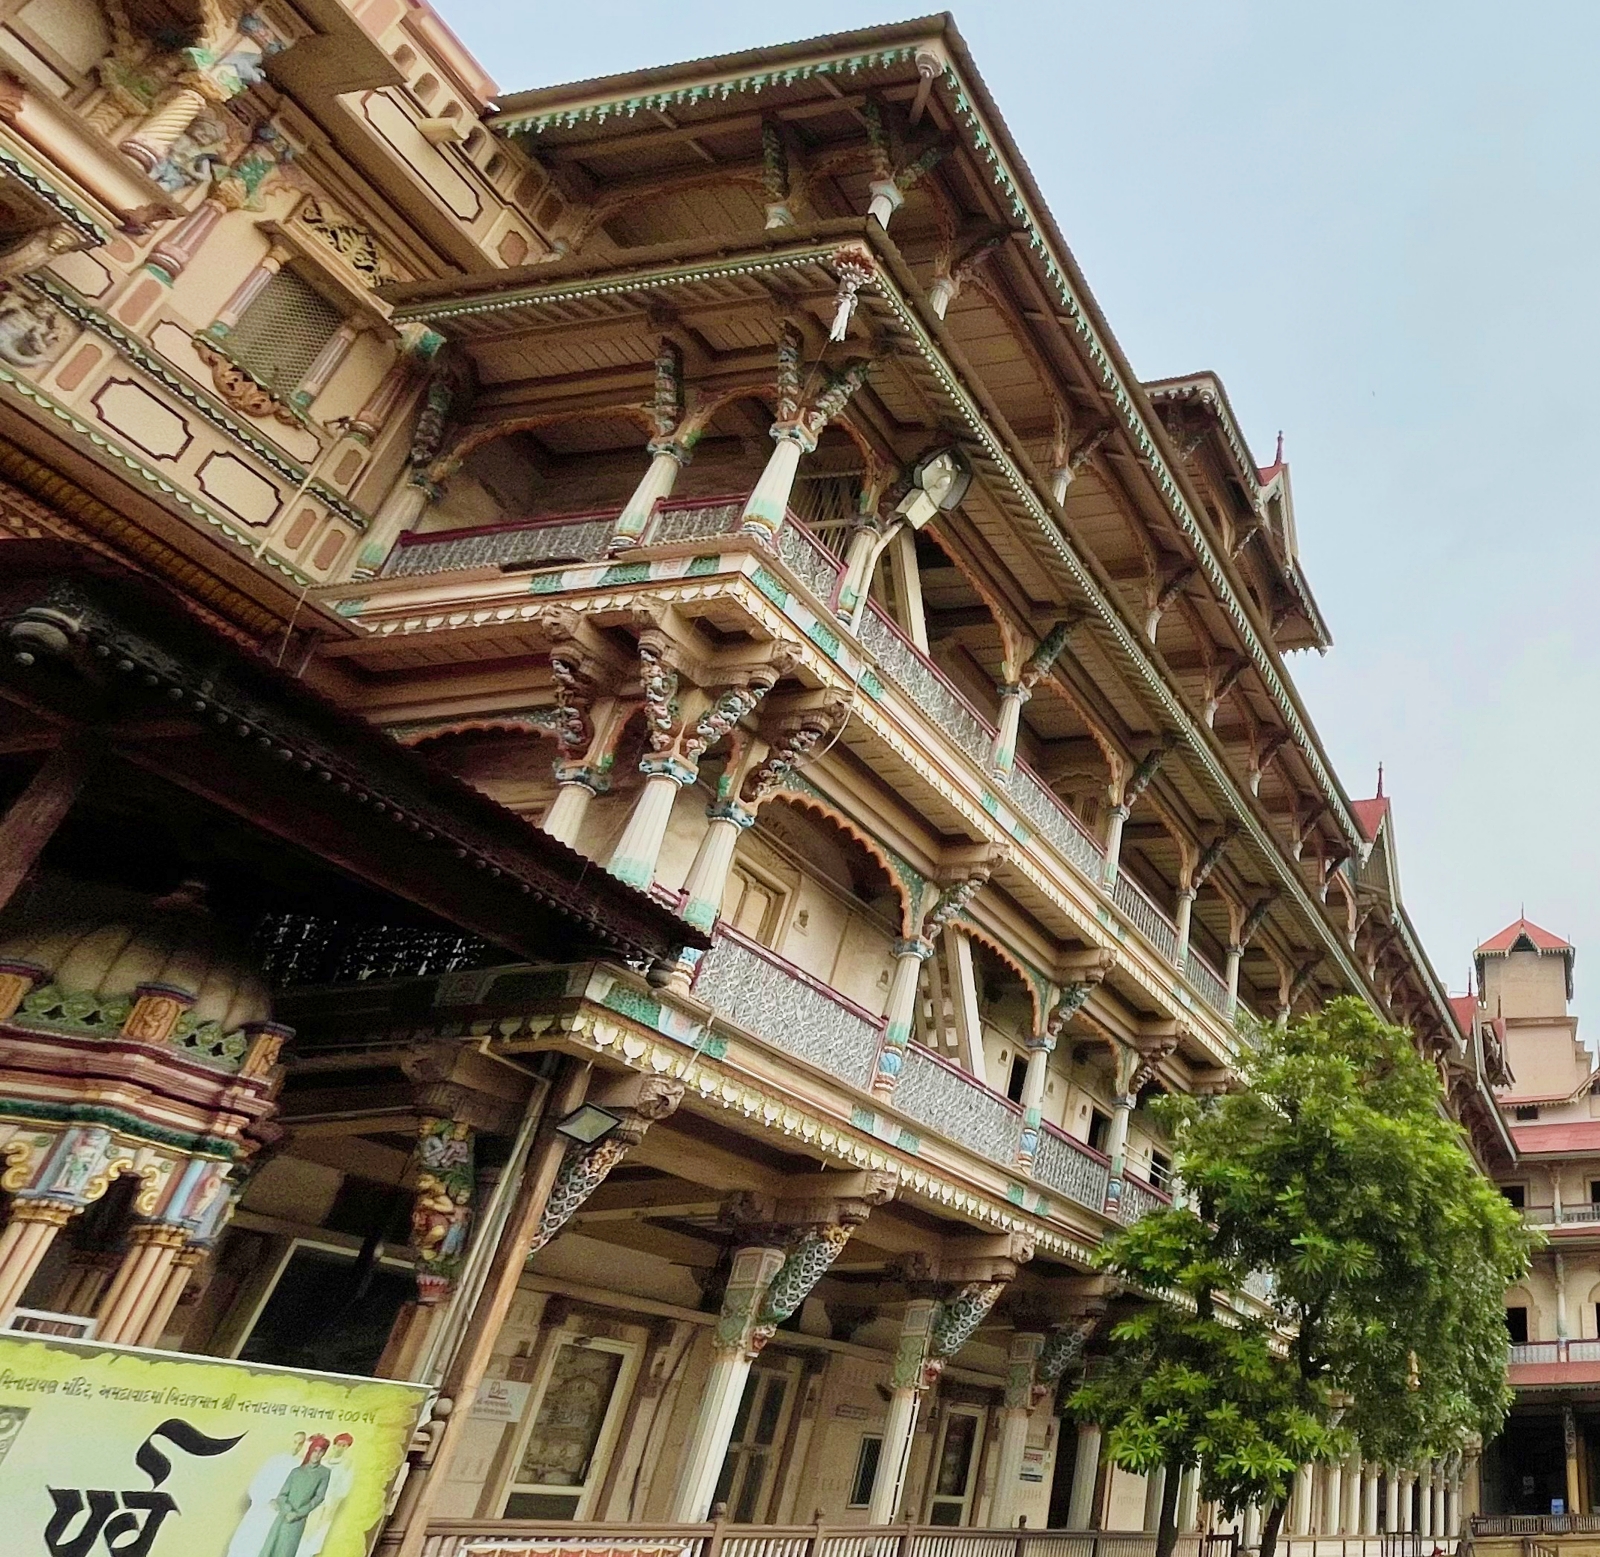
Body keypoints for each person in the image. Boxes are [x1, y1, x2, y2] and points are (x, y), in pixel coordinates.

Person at [225, 1432, 305, 1557]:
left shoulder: (301, 1466)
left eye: (300, 1443)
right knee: (245, 1545)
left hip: (280, 1517)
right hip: (260, 1510)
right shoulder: (274, 1461)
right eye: (295, 1442)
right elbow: (257, 1485)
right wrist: (267, 1500)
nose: (296, 1446)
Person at [260, 1435, 331, 1557]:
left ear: (324, 1453)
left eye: (321, 1452)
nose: (317, 1455)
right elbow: (282, 1495)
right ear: (310, 1451)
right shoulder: (296, 1472)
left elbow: (318, 1498)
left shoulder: (324, 1473)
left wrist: (297, 1514)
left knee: (286, 1551)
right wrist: (287, 1511)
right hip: (282, 1517)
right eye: (315, 1451)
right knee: (270, 1548)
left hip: (297, 1521)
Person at [298, 1433, 355, 1556]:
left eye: (344, 1446)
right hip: (312, 1501)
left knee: (318, 1532)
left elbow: (344, 1487)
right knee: (304, 1530)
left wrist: (334, 1502)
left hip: (329, 1503)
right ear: (334, 1446)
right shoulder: (323, 1462)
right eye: (339, 1445)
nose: (340, 1448)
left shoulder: (347, 1465)